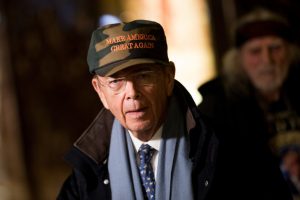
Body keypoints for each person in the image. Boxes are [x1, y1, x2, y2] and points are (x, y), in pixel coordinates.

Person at [57, 20, 219, 200]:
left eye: (143, 76)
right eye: (116, 82)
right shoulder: (87, 176)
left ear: (168, 78)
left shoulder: (221, 153)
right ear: (100, 91)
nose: (132, 93)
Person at [198, 8, 300, 200]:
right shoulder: (217, 105)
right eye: (255, 51)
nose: (267, 60)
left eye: (275, 48)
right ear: (238, 59)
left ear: (290, 52)